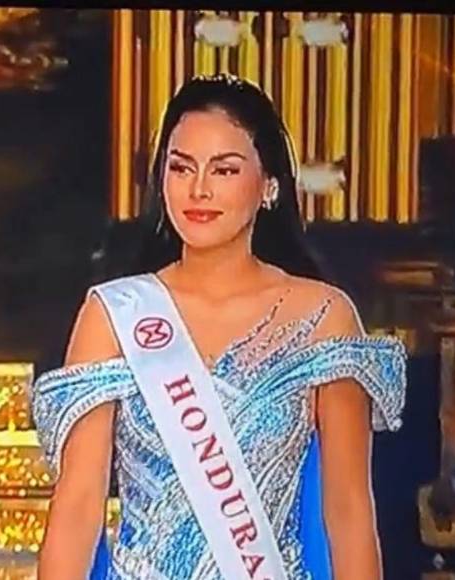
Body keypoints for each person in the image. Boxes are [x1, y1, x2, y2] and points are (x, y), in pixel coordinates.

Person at [29, 75, 407, 579]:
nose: (198, 189)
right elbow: (78, 506)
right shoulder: (117, 314)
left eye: (224, 169)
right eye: (181, 167)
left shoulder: (323, 317)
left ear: (269, 185)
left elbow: (348, 512)